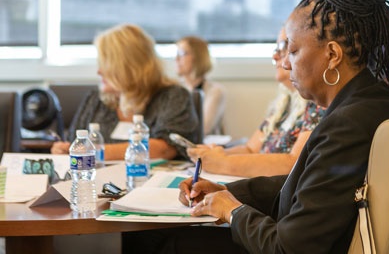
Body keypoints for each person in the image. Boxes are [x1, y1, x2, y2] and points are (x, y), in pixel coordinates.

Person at [129, 0, 389, 254]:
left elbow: (293, 252)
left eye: (292, 51)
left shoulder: (349, 123)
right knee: (180, 249)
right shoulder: (375, 103)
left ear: (333, 55)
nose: (286, 64)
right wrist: (226, 193)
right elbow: (311, 189)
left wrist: (232, 210)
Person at [186, 27, 326, 177]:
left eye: (284, 47)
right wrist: (214, 155)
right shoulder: (284, 103)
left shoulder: (317, 103)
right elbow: (250, 149)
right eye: (276, 48)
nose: (275, 56)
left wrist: (222, 162)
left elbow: (293, 163)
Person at [50, 23, 199, 160]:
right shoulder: (95, 99)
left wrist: (89, 152)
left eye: (106, 65)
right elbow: (74, 145)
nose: (99, 71)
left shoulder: (173, 96)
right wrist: (63, 150)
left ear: (129, 67)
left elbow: (163, 149)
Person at [175, 36, 227, 136]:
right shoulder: (175, 89)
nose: (176, 59)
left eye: (182, 54)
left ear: (197, 57)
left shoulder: (215, 91)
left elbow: (204, 128)